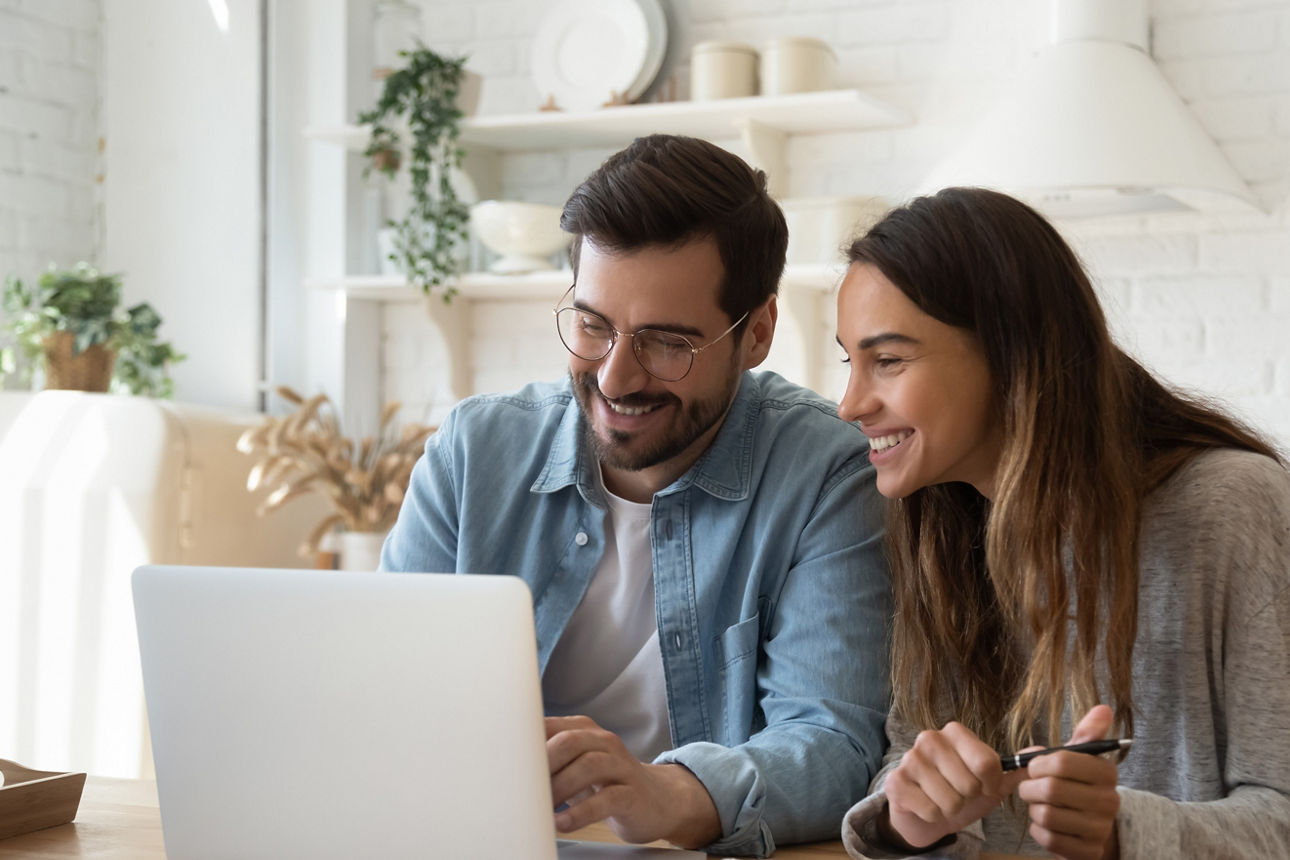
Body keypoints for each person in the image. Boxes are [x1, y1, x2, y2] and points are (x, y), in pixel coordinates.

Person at [381, 134, 892, 857]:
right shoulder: (472, 454)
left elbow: (833, 745)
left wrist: (667, 794)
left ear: (758, 334)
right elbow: (381, 695)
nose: (616, 378)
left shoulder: (825, 476)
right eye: (593, 325)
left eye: (666, 342)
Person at [833, 186, 1290, 860]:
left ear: (1011, 353)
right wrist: (911, 822)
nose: (849, 404)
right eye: (851, 360)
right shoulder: (939, 526)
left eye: (889, 361)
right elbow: (914, 762)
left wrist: (1121, 835)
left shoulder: (1231, 507)